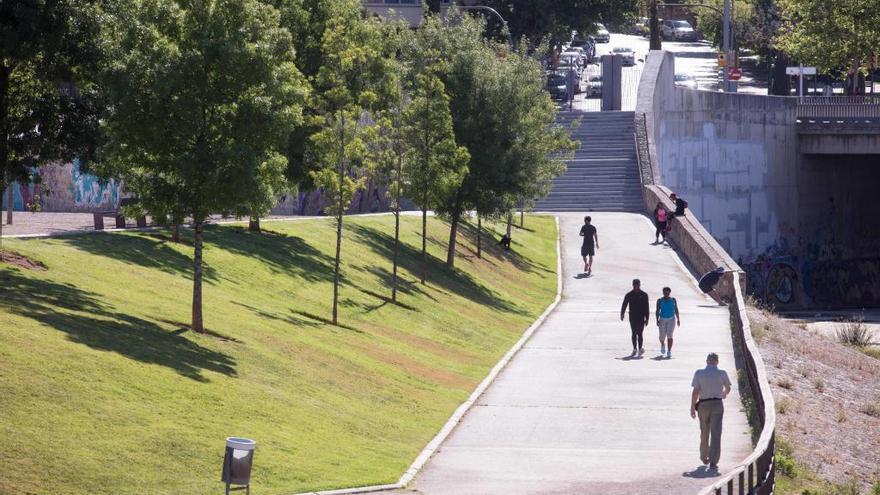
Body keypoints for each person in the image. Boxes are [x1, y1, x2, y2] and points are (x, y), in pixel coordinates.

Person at [690, 352, 732, 471]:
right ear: (717, 362)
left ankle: (704, 456)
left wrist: (692, 407)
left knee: (704, 431)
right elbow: (728, 388)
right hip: (717, 404)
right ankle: (713, 461)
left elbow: (695, 392)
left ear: (707, 361)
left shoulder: (699, 373)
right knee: (716, 433)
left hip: (703, 404)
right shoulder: (722, 373)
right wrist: (724, 394)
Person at [620, 279, 650, 357]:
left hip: (641, 317)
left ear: (640, 285)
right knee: (634, 333)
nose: (636, 286)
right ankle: (634, 349)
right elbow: (624, 304)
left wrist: (647, 318)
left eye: (637, 285)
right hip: (632, 317)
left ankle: (640, 349)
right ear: (632, 285)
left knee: (640, 333)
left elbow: (647, 307)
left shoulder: (644, 295)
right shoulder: (629, 294)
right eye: (635, 285)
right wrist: (622, 314)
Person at [655, 287, 680, 358]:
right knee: (661, 337)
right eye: (665, 293)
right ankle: (662, 344)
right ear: (663, 293)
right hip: (662, 319)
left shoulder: (673, 300)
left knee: (670, 335)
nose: (666, 294)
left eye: (667, 293)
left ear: (669, 293)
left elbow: (676, 309)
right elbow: (657, 311)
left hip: (671, 319)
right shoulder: (659, 300)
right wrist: (657, 320)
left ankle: (669, 351)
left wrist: (678, 319)